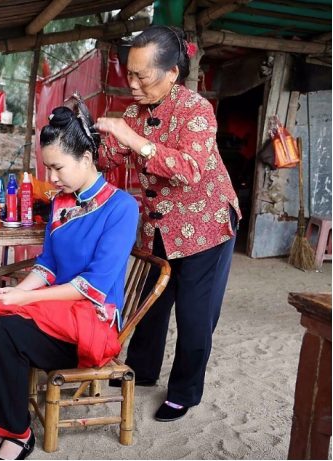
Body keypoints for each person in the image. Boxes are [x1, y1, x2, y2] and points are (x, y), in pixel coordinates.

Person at [0, 96, 139, 461]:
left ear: (86, 159)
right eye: (48, 168)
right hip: (54, 310)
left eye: (58, 168)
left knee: (5, 331)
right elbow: (48, 265)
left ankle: (18, 434)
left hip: (91, 320)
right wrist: (12, 293)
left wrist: (22, 300)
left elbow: (94, 285)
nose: (52, 178)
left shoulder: (121, 207)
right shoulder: (61, 202)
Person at [95, 25, 241, 422]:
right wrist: (96, 140)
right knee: (150, 300)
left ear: (173, 72)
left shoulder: (196, 110)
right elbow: (109, 161)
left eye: (143, 75)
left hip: (205, 223)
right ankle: (141, 371)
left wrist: (134, 139)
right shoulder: (131, 112)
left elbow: (190, 168)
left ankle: (185, 392)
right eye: (130, 73)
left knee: (195, 312)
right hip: (159, 222)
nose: (133, 83)